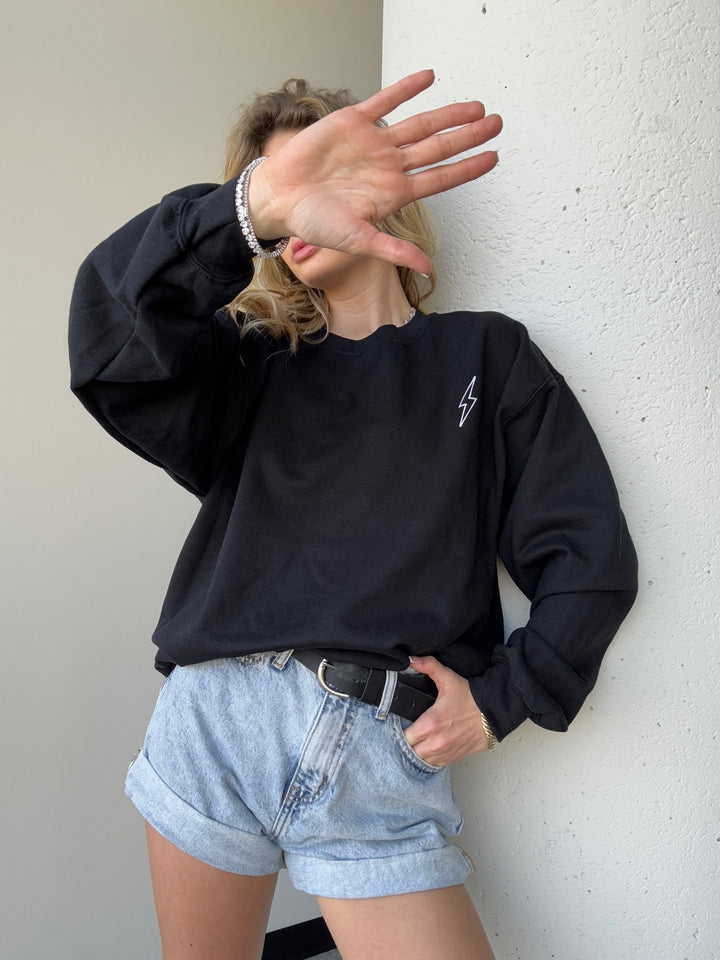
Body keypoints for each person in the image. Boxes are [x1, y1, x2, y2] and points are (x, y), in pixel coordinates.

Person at [69, 70, 637, 960]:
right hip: (213, 725)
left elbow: (588, 554)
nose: (297, 213)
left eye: (314, 178)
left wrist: (502, 701)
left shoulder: (485, 356)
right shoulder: (248, 366)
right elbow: (111, 329)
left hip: (377, 748)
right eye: (277, 195)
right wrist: (248, 208)